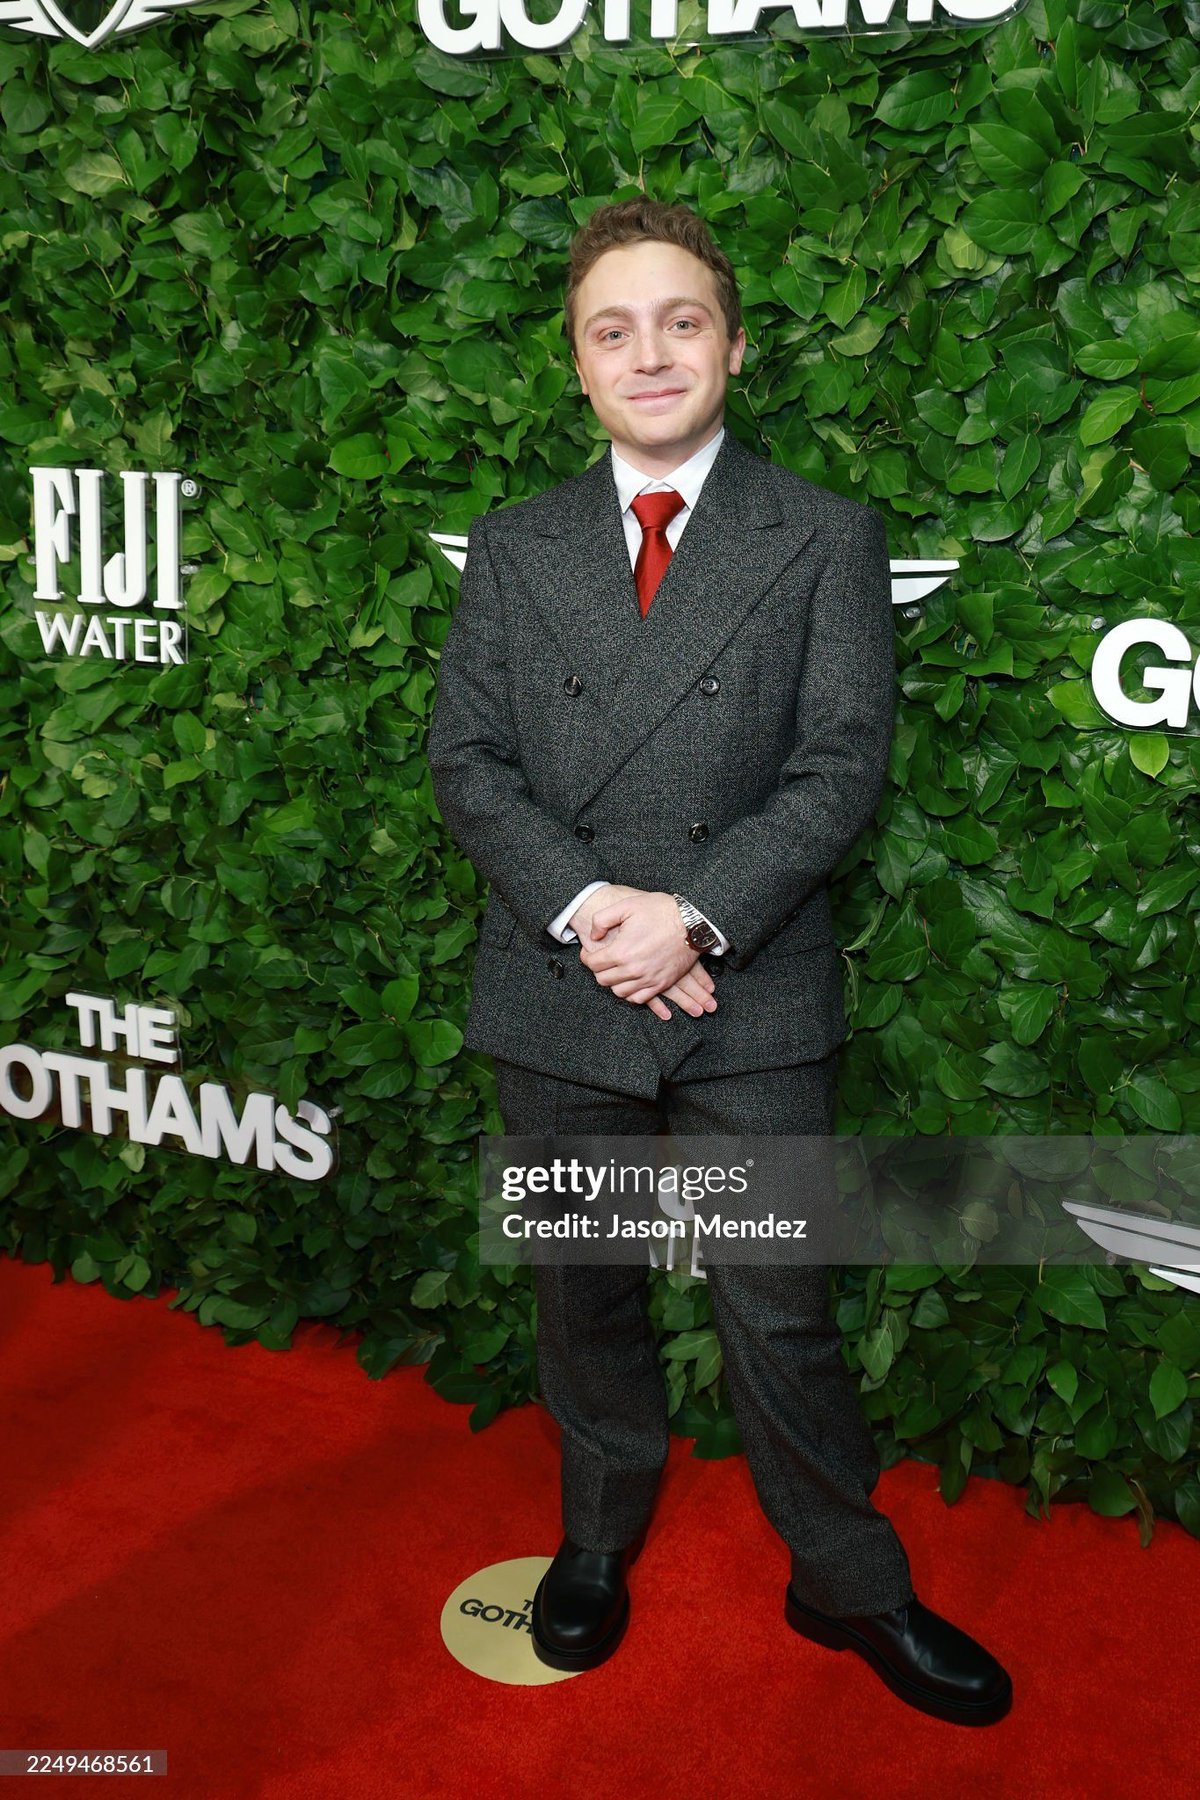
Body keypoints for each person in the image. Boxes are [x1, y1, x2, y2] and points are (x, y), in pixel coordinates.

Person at [427, 196, 1012, 1727]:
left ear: (734, 345)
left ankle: (848, 1582)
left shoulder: (823, 533)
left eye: (680, 321)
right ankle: (595, 1541)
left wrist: (689, 916)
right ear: (576, 362)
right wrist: (596, 913)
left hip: (748, 989)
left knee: (781, 1305)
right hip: (562, 983)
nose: (649, 354)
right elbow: (470, 762)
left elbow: (839, 766)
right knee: (584, 1291)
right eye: (611, 330)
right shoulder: (514, 545)